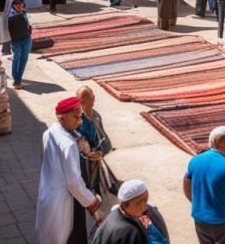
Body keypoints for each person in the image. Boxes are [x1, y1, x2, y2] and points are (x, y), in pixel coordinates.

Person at [36, 97, 103, 244]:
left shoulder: (49, 132)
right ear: (62, 118)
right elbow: (73, 182)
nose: (80, 121)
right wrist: (92, 202)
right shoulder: (68, 144)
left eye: (80, 116)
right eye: (76, 117)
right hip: (66, 201)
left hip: (48, 195)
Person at [91, 179, 167, 244]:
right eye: (139, 203)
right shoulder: (131, 232)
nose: (145, 207)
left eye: (146, 201)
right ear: (125, 204)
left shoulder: (113, 215)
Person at [77, 86, 116, 201]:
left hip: (97, 156)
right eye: (91, 96)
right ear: (82, 101)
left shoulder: (96, 116)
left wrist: (100, 152)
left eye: (93, 95)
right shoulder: (79, 121)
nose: (94, 97)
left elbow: (103, 137)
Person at [7, 0, 32, 89]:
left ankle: (18, 80)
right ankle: (16, 80)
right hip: (16, 41)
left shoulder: (24, 13)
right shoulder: (10, 16)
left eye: (21, 4)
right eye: (17, 5)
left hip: (26, 39)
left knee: (24, 59)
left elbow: (28, 24)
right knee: (16, 59)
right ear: (13, 6)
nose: (19, 6)